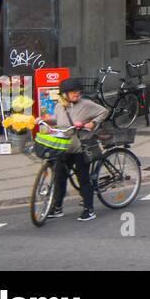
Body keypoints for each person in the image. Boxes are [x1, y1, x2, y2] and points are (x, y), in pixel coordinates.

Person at [42, 77, 109, 221]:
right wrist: (46, 120)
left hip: (80, 147)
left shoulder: (86, 104)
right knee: (60, 178)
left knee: (83, 178)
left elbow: (104, 112)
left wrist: (92, 123)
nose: (76, 94)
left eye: (78, 91)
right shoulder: (60, 106)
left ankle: (89, 209)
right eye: (72, 92)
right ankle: (57, 207)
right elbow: (58, 119)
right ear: (64, 94)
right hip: (64, 147)